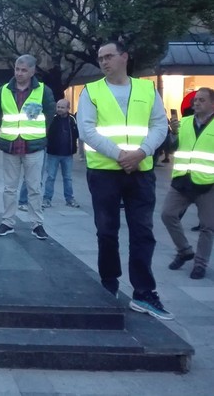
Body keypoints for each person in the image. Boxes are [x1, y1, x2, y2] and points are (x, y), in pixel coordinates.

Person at [77, 41, 171, 320]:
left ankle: (143, 292)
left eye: (109, 56)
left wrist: (141, 152)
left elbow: (159, 125)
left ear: (125, 57)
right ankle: (109, 282)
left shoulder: (145, 89)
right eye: (100, 58)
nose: (104, 62)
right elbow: (87, 130)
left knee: (142, 232)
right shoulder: (91, 91)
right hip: (105, 171)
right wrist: (121, 155)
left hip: (140, 172)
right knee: (107, 231)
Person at [0, 54, 55, 240]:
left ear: (32, 71)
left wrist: (39, 132)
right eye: (17, 69)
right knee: (9, 188)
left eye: (24, 70)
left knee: (34, 188)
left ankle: (37, 224)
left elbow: (50, 113)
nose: (19, 73)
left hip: (33, 146)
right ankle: (7, 221)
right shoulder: (4, 90)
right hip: (11, 145)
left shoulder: (43, 91)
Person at [161, 87, 214, 280]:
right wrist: (173, 133)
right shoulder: (183, 122)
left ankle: (200, 264)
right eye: (195, 100)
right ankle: (184, 250)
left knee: (208, 226)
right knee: (167, 215)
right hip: (182, 180)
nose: (196, 103)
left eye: (201, 100)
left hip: (207, 183)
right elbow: (173, 147)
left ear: (212, 104)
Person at [41, 99, 80, 208]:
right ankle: (47, 199)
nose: (59, 109)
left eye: (62, 107)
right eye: (58, 107)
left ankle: (69, 199)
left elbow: (77, 132)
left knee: (67, 177)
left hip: (68, 154)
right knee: (50, 177)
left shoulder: (72, 119)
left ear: (68, 109)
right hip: (53, 153)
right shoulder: (51, 118)